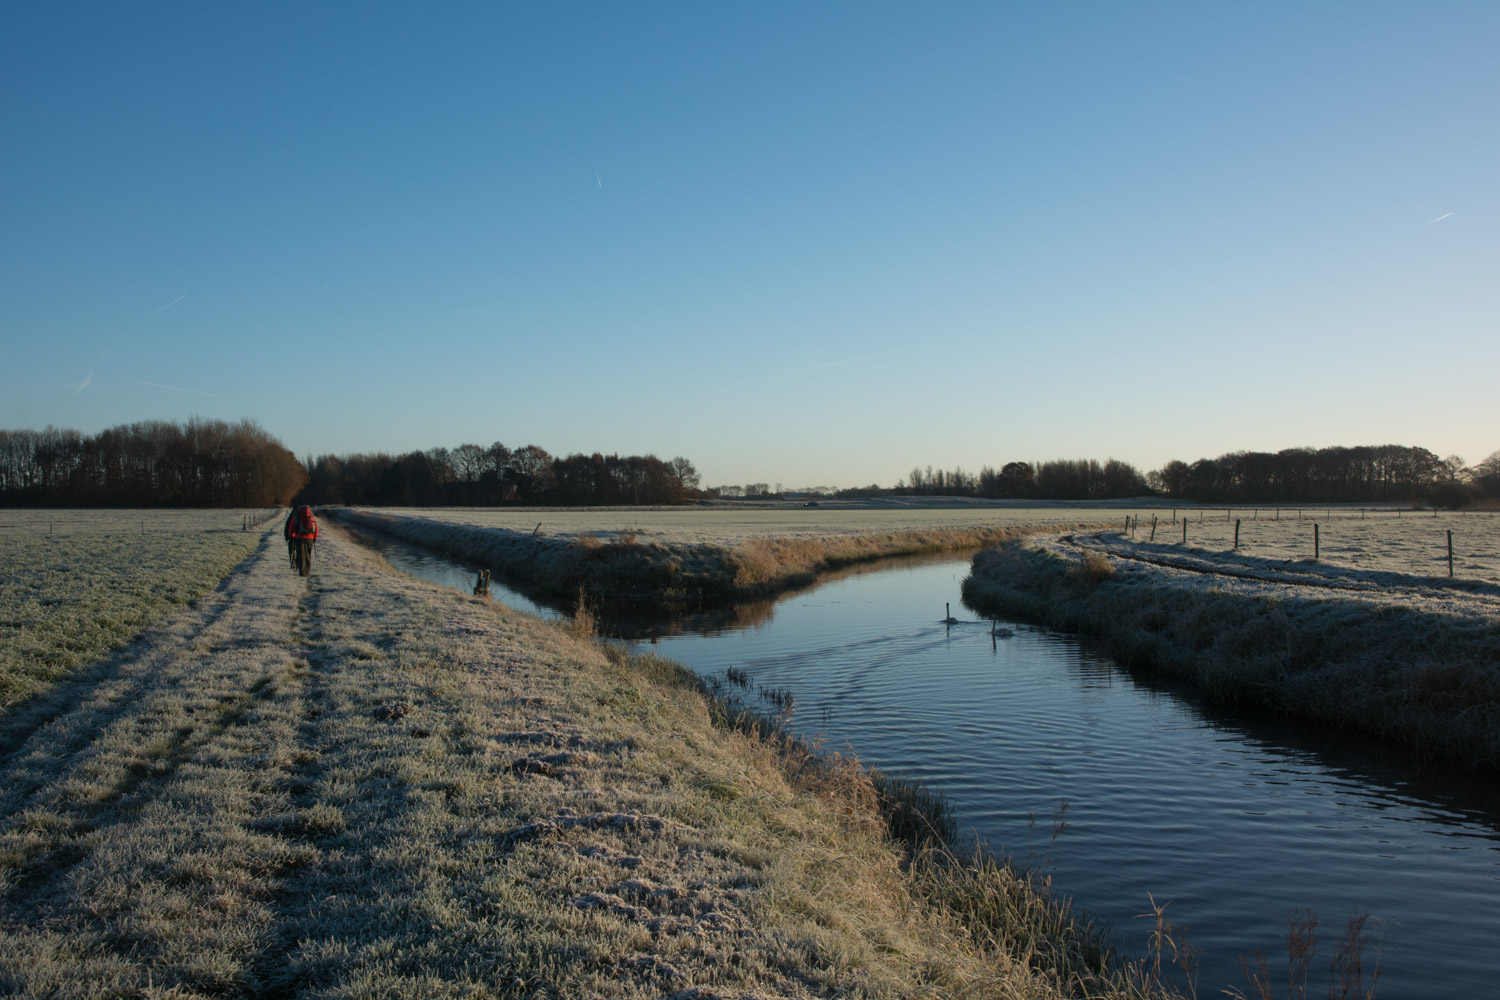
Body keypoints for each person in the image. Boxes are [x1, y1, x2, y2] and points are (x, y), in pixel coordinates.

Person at [284, 504, 319, 576]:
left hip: (299, 537)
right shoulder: (310, 516)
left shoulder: (297, 516)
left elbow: (291, 527)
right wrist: (314, 537)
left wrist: (291, 535)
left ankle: (302, 572)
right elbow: (316, 527)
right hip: (310, 538)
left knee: (300, 554)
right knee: (308, 554)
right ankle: (307, 570)